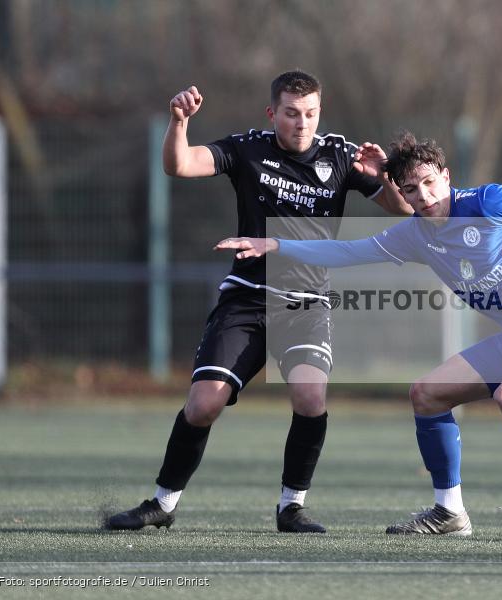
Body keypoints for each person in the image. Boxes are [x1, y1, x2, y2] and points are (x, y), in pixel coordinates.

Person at [215, 132, 502, 540]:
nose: (425, 195)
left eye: (431, 182)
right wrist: (275, 243)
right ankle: (449, 511)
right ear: (401, 192)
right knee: (427, 394)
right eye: (412, 188)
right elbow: (346, 250)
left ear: (447, 176)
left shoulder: (488, 201)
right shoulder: (415, 236)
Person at [107, 71, 411, 533]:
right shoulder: (248, 148)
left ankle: (291, 507)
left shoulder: (341, 156)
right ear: (273, 114)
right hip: (246, 300)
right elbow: (180, 165)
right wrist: (178, 123)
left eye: (310, 113)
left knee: (311, 396)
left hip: (306, 304)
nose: (302, 123)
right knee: (203, 404)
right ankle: (162, 504)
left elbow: (403, 210)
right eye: (291, 113)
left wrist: (385, 175)